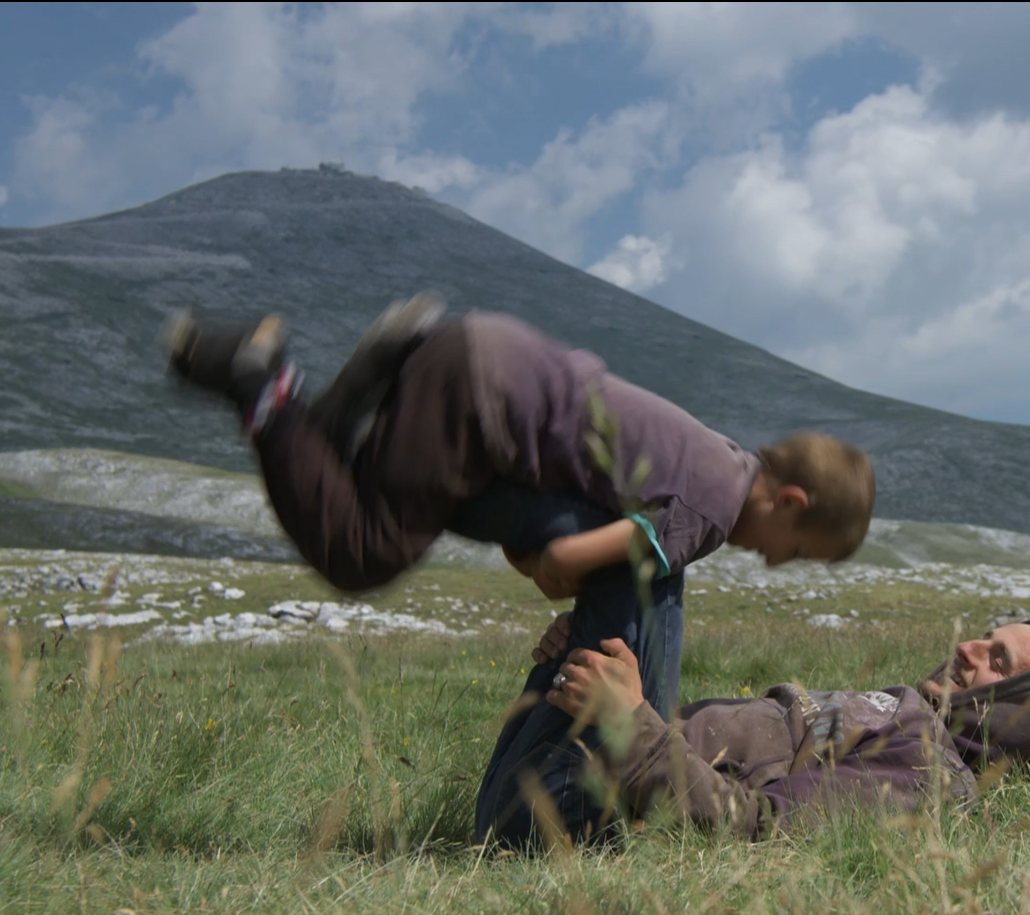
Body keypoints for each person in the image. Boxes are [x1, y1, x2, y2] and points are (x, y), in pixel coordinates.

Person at [160, 294, 878, 812]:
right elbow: (576, 554)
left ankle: (364, 394)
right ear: (791, 503)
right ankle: (265, 387)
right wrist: (550, 569)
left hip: (485, 360)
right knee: (362, 551)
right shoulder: (712, 511)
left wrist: (543, 559)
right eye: (795, 552)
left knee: (366, 493)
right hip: (485, 408)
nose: (774, 562)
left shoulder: (713, 455)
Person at [477, 617, 1030, 845]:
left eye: (997, 662)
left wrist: (627, 725)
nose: (967, 648)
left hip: (566, 811)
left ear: (1016, 715)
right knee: (621, 594)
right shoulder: (904, 718)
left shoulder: (928, 774)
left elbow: (756, 825)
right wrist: (575, 654)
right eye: (986, 638)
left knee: (660, 540)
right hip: (554, 772)